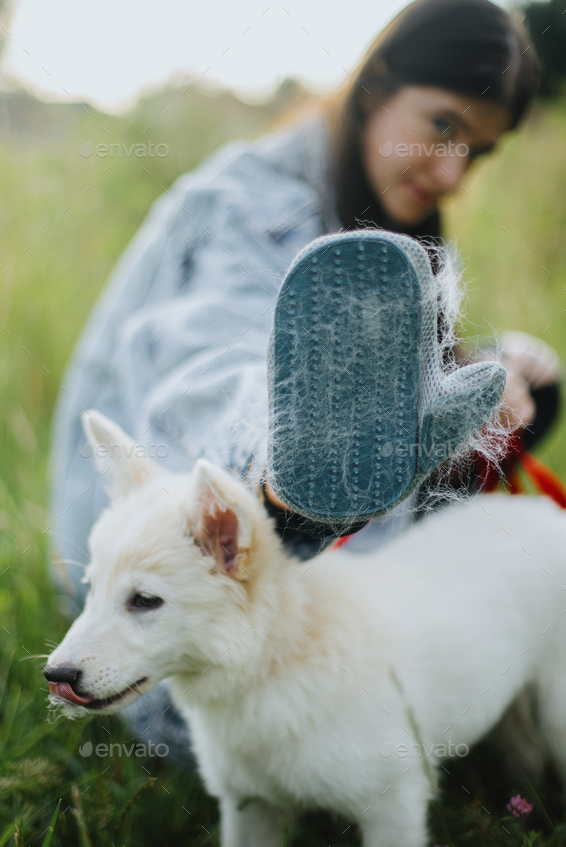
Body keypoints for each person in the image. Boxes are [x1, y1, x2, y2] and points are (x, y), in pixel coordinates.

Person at [50, 0, 561, 764]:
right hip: (173, 639)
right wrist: (278, 463)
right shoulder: (253, 206)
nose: (452, 173)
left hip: (302, 596)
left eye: (478, 152)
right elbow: (209, 372)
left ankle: (369, 537)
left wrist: (491, 375)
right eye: (443, 126)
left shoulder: (381, 209)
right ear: (375, 83)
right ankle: (313, 509)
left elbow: (373, 367)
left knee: (535, 377)